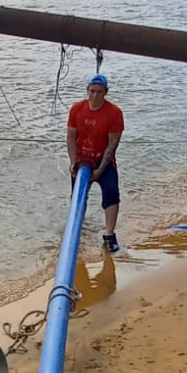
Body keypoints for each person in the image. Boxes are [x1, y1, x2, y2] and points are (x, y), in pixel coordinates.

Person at [67, 72, 124, 252]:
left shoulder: (114, 112)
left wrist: (100, 170)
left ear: (106, 92)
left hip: (103, 161)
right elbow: (71, 137)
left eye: (99, 92)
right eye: (92, 91)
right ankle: (77, 232)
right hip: (82, 161)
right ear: (87, 90)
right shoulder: (77, 108)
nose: (95, 95)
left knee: (111, 191)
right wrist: (73, 163)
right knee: (77, 197)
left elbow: (113, 143)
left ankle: (109, 234)